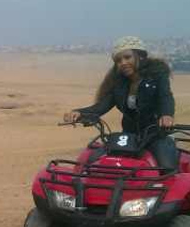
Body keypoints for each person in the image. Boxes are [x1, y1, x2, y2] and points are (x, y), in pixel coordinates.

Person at [64, 36, 176, 169]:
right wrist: (79, 113)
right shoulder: (119, 84)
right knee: (93, 161)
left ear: (139, 56)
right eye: (118, 60)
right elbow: (102, 106)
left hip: (155, 135)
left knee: (166, 167)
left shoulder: (157, 75)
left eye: (127, 57)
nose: (123, 62)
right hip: (128, 137)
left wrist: (167, 114)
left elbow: (165, 96)